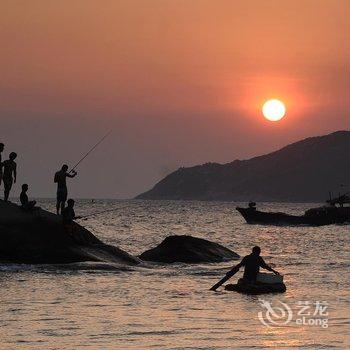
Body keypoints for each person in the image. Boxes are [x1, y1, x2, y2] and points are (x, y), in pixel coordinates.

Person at [210, 246, 280, 291]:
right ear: (257, 252)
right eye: (258, 252)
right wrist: (274, 271)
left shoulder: (248, 257)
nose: (259, 253)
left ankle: (249, 284)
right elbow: (265, 266)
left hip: (247, 278)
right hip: (253, 278)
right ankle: (251, 284)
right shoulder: (258, 258)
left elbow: (239, 265)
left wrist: (231, 271)